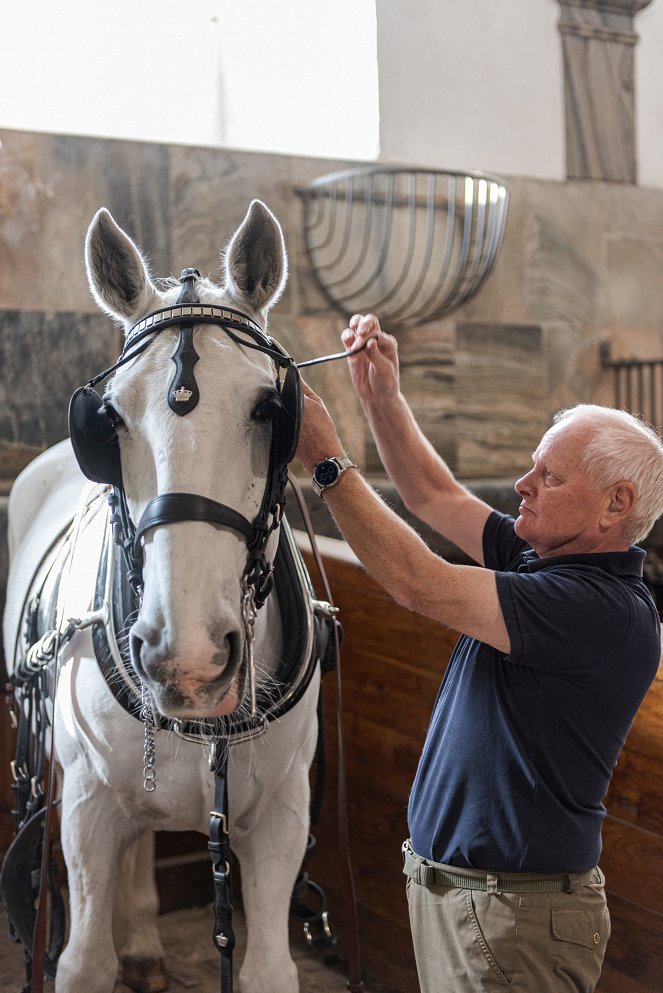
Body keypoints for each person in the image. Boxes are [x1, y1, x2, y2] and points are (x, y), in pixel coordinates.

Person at [295, 313, 663, 993]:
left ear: (616, 504)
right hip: (467, 895)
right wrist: (380, 396)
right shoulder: (541, 556)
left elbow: (416, 583)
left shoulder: (601, 611)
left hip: (515, 914)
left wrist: (327, 462)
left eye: (547, 477)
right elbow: (432, 495)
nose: (521, 484)